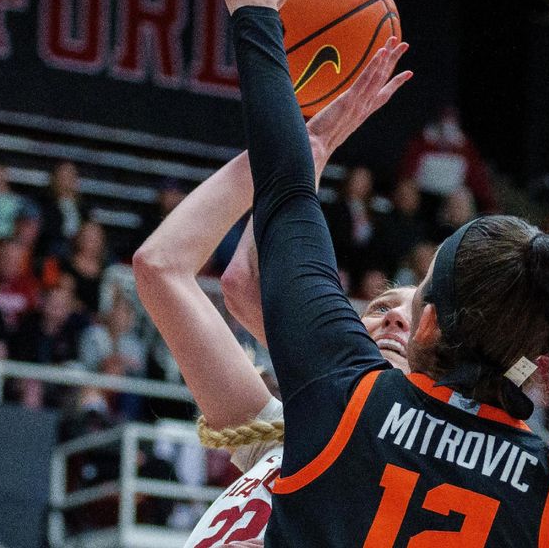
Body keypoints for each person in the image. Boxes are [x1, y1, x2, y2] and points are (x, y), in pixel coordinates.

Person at [216, 0, 549, 546]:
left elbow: (288, 192)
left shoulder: (348, 394)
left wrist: (254, 8)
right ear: (534, 364)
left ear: (426, 329)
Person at [134, 31, 413, 547]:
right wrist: (304, 151)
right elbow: (172, 269)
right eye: (380, 307)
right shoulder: (286, 432)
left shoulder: (410, 463)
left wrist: (289, 153)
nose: (395, 317)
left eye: (415, 317)